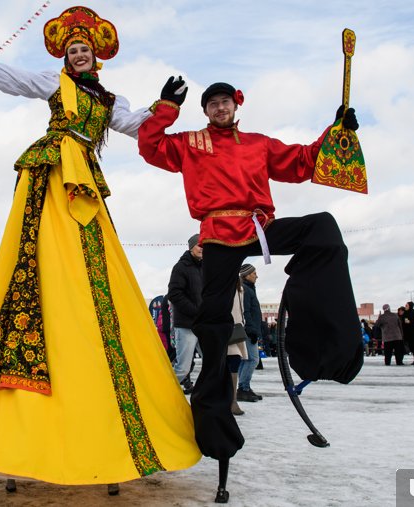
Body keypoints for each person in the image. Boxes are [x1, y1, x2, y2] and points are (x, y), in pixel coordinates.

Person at [0, 6, 200, 490]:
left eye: (84, 49)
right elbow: (16, 79)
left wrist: (164, 108)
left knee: (94, 261)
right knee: (39, 247)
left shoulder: (110, 98)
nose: (79, 54)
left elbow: (133, 126)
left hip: (84, 173)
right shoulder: (55, 83)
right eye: (72, 49)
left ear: (97, 56)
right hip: (55, 168)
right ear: (66, 57)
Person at [138, 78, 363, 501]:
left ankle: (321, 343)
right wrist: (167, 106)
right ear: (205, 111)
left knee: (323, 229)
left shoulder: (258, 143)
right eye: (212, 104)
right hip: (220, 234)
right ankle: (215, 423)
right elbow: (151, 147)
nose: (219, 108)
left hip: (260, 227)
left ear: (235, 106)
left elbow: (302, 162)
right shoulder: (190, 141)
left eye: (225, 101)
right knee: (213, 323)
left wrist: (337, 132)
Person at [168, 234, 204, 392]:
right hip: (187, 324)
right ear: (191, 247)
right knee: (183, 367)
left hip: (204, 324)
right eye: (199, 245)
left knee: (213, 363)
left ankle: (208, 397)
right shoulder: (181, 267)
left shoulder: (206, 267)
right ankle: (165, 393)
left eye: (205, 245)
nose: (202, 248)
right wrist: (195, 311)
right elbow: (174, 294)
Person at [236, 264, 263, 403]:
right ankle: (243, 388)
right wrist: (252, 330)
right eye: (254, 274)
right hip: (248, 330)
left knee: (246, 360)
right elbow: (245, 311)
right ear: (246, 275)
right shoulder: (245, 290)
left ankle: (243, 387)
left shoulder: (249, 289)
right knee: (252, 359)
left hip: (249, 329)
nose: (256, 276)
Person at [227, 277, 248, 416]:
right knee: (232, 360)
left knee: (234, 361)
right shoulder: (221, 283)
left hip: (237, 327)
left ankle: (232, 400)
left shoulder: (240, 287)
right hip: (224, 327)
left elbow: (241, 308)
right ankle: (230, 401)